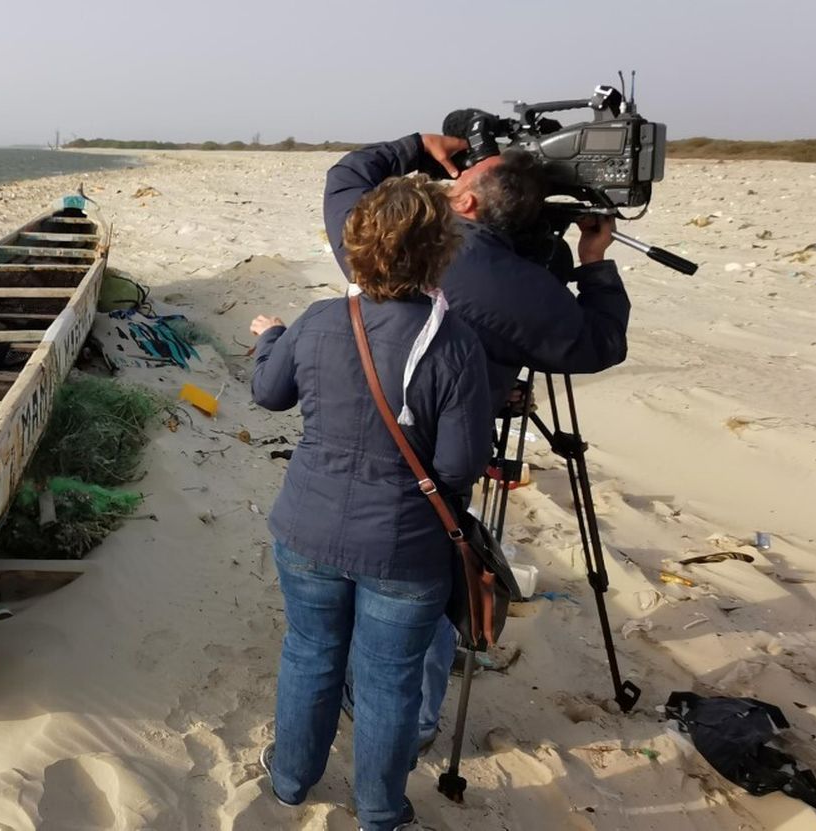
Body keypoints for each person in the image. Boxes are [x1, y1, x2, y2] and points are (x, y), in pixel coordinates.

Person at [322, 133, 632, 760]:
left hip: (351, 441)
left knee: (368, 580)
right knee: (429, 578)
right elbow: (599, 343)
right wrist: (594, 260)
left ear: (463, 207)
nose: (449, 179)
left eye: (460, 177)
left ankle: (382, 704)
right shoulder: (529, 290)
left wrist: (417, 145)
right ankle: (412, 720)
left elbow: (345, 178)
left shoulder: (387, 245)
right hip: (444, 459)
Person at [250, 173, 493, 831]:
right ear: (440, 252)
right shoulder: (454, 344)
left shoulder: (323, 320)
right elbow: (460, 465)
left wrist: (271, 336)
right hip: (402, 546)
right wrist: (278, 339)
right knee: (387, 681)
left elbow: (268, 391)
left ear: (357, 246)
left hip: (310, 531)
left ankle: (293, 779)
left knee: (311, 652)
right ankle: (379, 809)